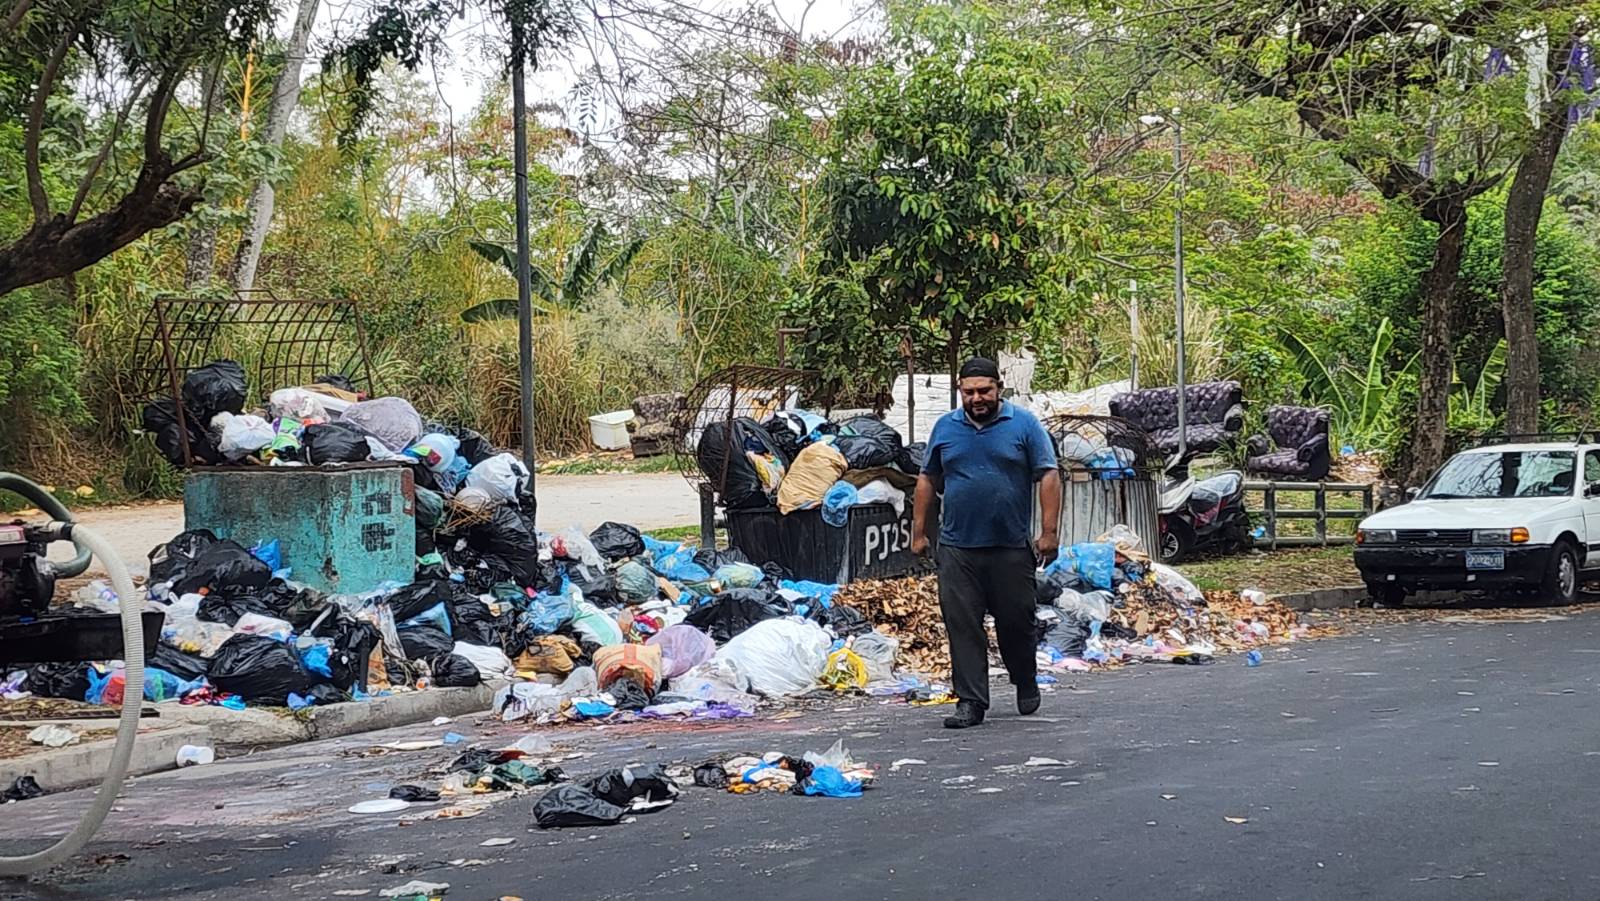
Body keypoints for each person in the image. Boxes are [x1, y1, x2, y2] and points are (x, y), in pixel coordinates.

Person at [911, 357, 1061, 729]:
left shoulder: (1024, 424)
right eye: (969, 392)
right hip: (958, 547)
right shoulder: (946, 428)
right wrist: (918, 532)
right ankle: (971, 702)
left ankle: (1024, 678)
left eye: (984, 390)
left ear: (999, 388)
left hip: (1010, 546)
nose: (977, 398)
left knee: (1016, 622)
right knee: (962, 625)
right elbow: (928, 479)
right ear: (960, 392)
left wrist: (1049, 532)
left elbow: (1048, 475)